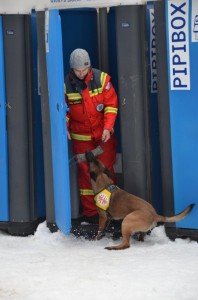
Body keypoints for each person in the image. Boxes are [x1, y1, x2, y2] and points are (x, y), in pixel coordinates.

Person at [65, 48, 118, 224]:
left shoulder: (102, 80)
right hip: (81, 138)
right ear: (72, 69)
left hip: (103, 136)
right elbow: (63, 110)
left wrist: (107, 128)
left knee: (106, 173)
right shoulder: (65, 84)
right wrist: (64, 126)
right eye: (77, 70)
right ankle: (91, 214)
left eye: (84, 70)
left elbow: (111, 106)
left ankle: (110, 210)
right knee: (86, 175)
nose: (81, 74)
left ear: (89, 66)